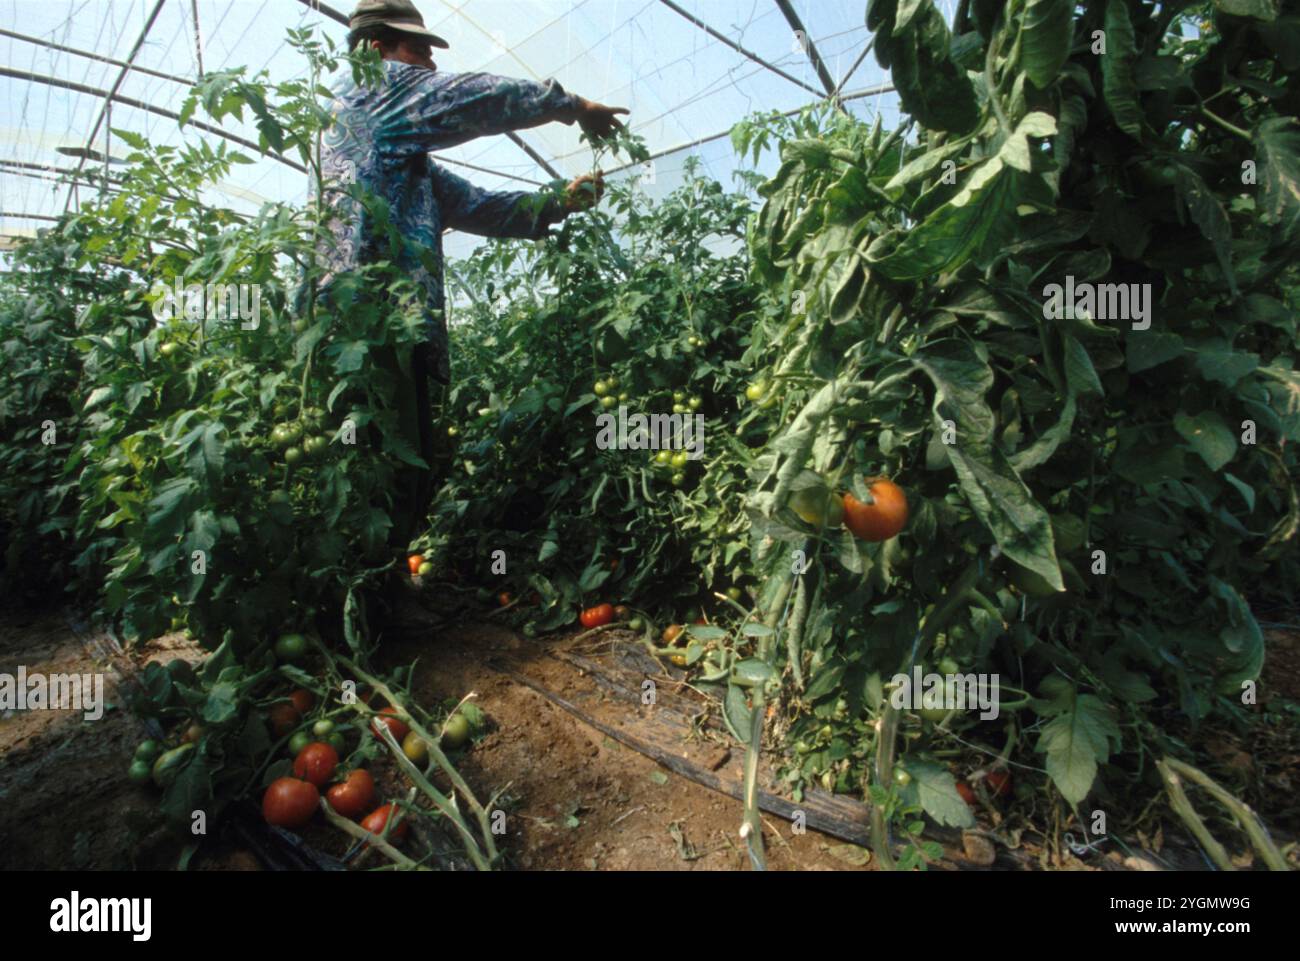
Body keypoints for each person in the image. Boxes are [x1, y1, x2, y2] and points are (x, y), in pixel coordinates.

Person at [311, 0, 628, 576]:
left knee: (413, 459)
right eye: (419, 48)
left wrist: (561, 201)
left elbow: (479, 206)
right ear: (376, 48)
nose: (429, 61)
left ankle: (372, 591)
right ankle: (357, 601)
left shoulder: (402, 156)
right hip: (367, 322)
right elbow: (472, 98)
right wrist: (570, 105)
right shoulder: (367, 95)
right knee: (379, 464)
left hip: (394, 326)